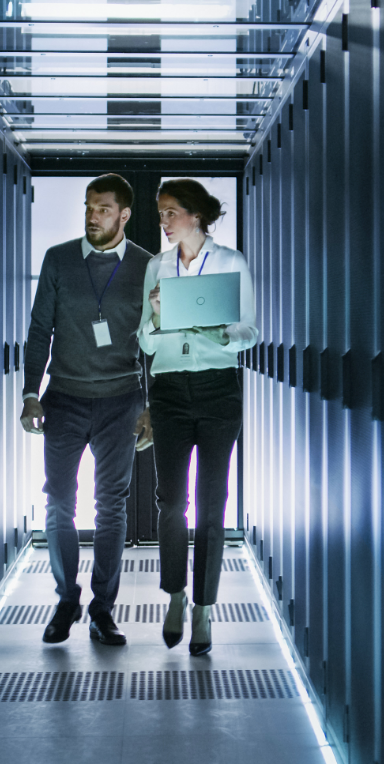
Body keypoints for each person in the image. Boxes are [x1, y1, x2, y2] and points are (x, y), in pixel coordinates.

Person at [20, 173, 154, 647]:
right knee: (58, 502)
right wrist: (29, 393)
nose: (93, 217)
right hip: (66, 397)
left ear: (124, 215)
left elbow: (156, 343)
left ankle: (102, 608)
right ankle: (65, 599)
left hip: (121, 400)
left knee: (110, 507)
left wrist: (150, 407)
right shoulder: (58, 260)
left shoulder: (146, 266)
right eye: (88, 208)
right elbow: (40, 332)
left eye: (103, 210)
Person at [137, 178, 258, 656]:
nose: (163, 222)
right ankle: (175, 596)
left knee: (211, 503)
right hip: (168, 388)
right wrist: (155, 318)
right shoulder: (157, 266)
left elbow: (250, 332)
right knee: (171, 501)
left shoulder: (230, 262)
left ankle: (204, 609)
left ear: (196, 216)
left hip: (216, 388)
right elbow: (145, 344)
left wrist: (215, 332)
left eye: (170, 213)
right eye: (161, 213)